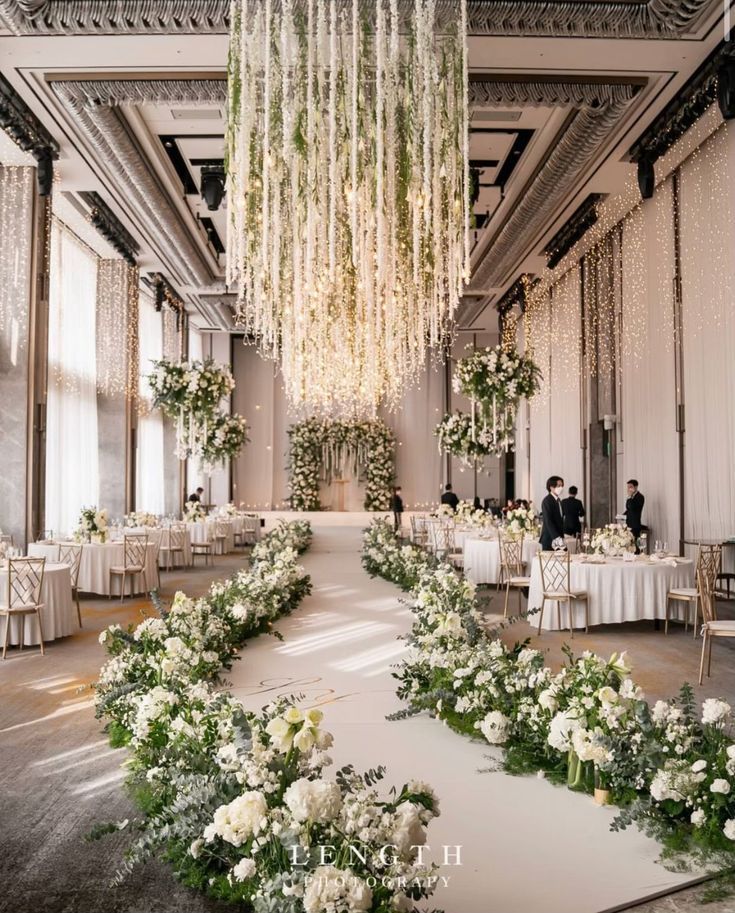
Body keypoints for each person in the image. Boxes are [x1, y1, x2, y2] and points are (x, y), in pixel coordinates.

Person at [540, 475, 566, 551]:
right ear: (551, 487)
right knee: (551, 562)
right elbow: (548, 521)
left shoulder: (559, 501)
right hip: (550, 539)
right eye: (559, 486)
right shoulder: (547, 501)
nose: (561, 488)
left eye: (562, 485)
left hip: (558, 538)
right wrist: (557, 539)